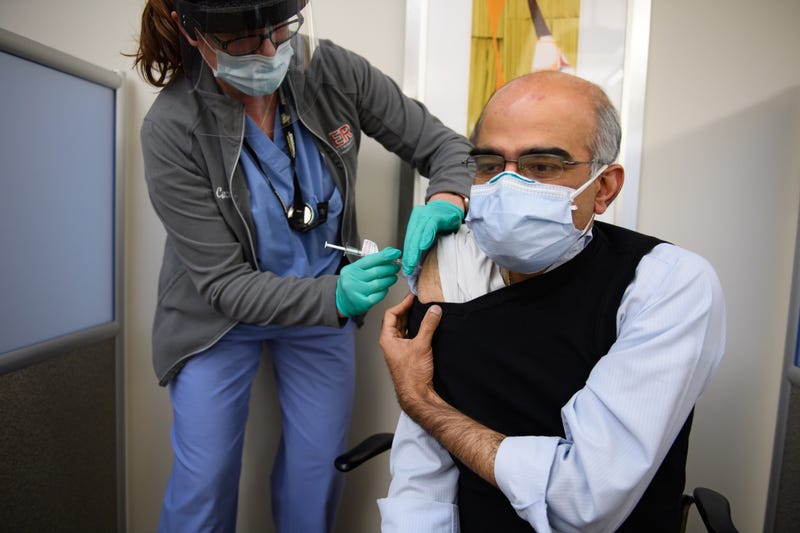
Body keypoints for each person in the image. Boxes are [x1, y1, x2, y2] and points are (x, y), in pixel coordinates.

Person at [130, 0, 472, 531]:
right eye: (243, 39)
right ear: (190, 29)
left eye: (280, 29)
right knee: (206, 480)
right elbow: (222, 283)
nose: (270, 51)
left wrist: (448, 198)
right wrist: (335, 296)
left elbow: (445, 145)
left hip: (318, 315)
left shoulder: (331, 71)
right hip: (218, 320)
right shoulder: (173, 127)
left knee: (319, 473)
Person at [377, 70, 726, 532]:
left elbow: (580, 501)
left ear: (604, 188)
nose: (506, 186)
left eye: (541, 167)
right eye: (488, 165)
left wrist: (421, 401)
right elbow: (421, 479)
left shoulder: (666, 284)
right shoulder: (453, 270)